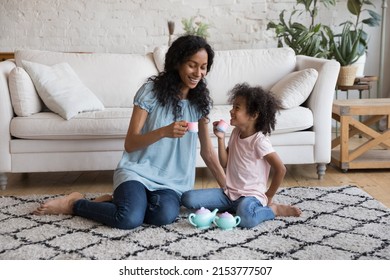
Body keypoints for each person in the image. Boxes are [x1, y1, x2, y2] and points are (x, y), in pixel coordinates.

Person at [33, 35, 226, 229]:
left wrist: (229, 190)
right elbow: (131, 143)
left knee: (163, 216)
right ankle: (74, 204)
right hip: (137, 172)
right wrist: (163, 131)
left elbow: (207, 152)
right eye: (192, 65)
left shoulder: (200, 103)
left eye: (203, 67)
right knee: (128, 219)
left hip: (172, 183)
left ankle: (113, 202)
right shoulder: (150, 92)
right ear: (177, 63)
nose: (198, 73)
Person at [181, 83, 301, 228]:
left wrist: (268, 196)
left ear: (253, 115)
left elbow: (280, 169)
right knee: (187, 198)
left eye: (237, 108)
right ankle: (235, 208)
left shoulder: (259, 141)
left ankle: (273, 210)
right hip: (229, 193)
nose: (231, 111)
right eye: (233, 106)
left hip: (251, 196)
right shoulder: (235, 133)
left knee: (246, 220)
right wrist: (220, 138)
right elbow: (224, 163)